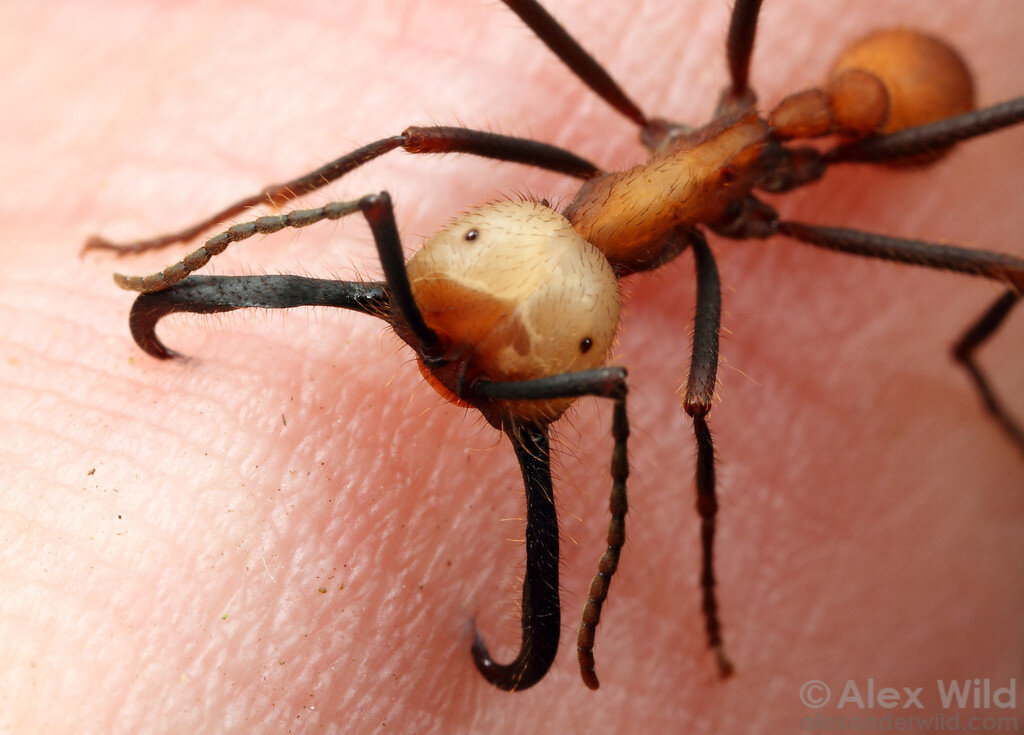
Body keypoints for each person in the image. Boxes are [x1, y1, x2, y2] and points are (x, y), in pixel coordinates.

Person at [1, 0, 1020, 730]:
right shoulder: (615, 203)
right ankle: (194, 239)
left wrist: (701, 585)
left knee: (707, 401)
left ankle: (972, 367)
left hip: (905, 100)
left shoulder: (748, 194)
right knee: (414, 139)